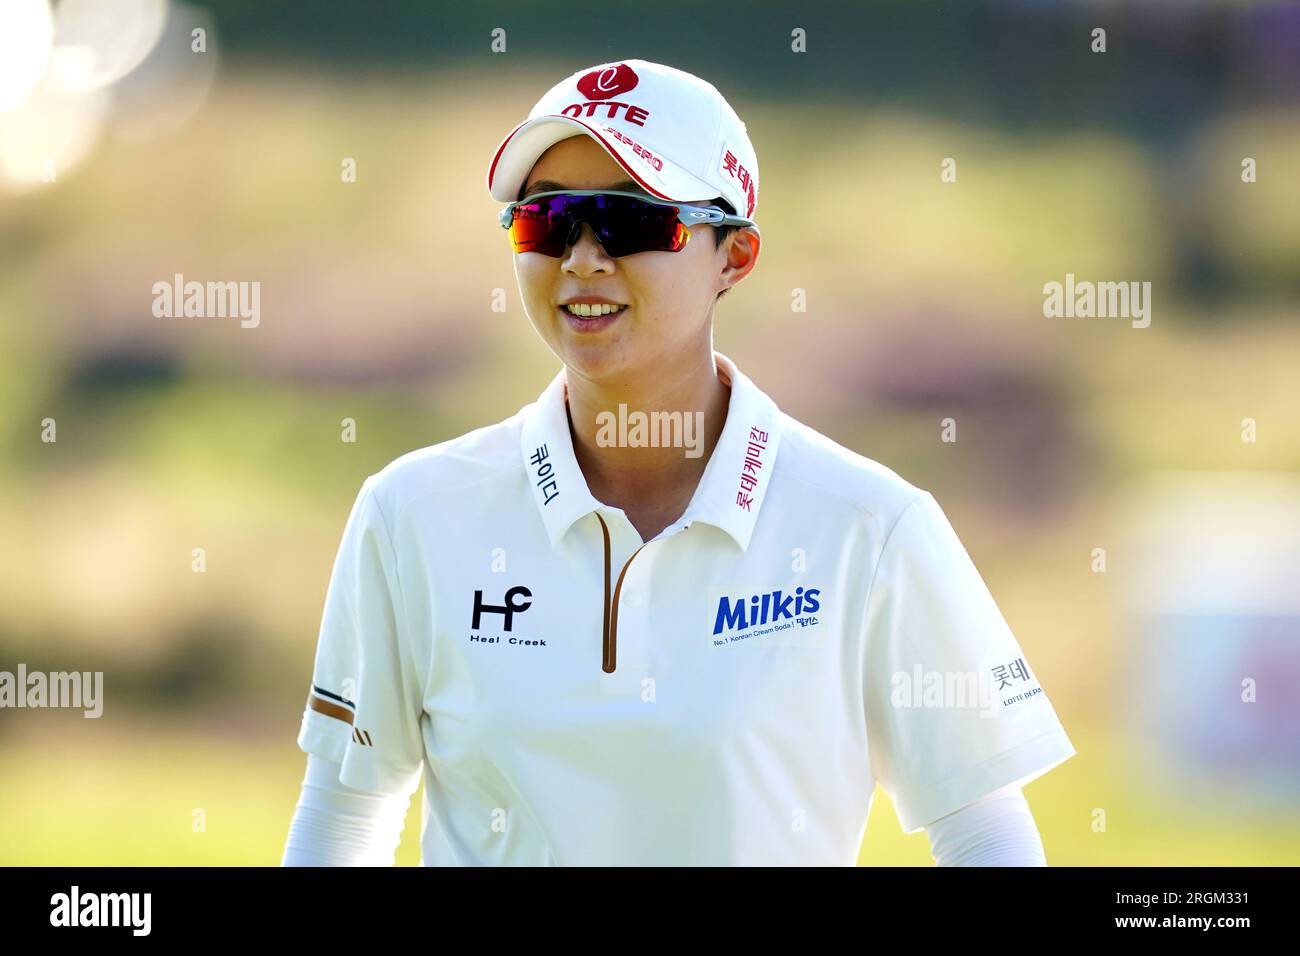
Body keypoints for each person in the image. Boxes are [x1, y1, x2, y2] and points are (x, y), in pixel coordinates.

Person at [281, 59, 1075, 867]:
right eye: (546, 222)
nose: (583, 259)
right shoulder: (412, 512)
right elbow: (346, 817)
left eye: (629, 222)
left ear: (735, 255)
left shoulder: (870, 528)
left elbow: (984, 835)